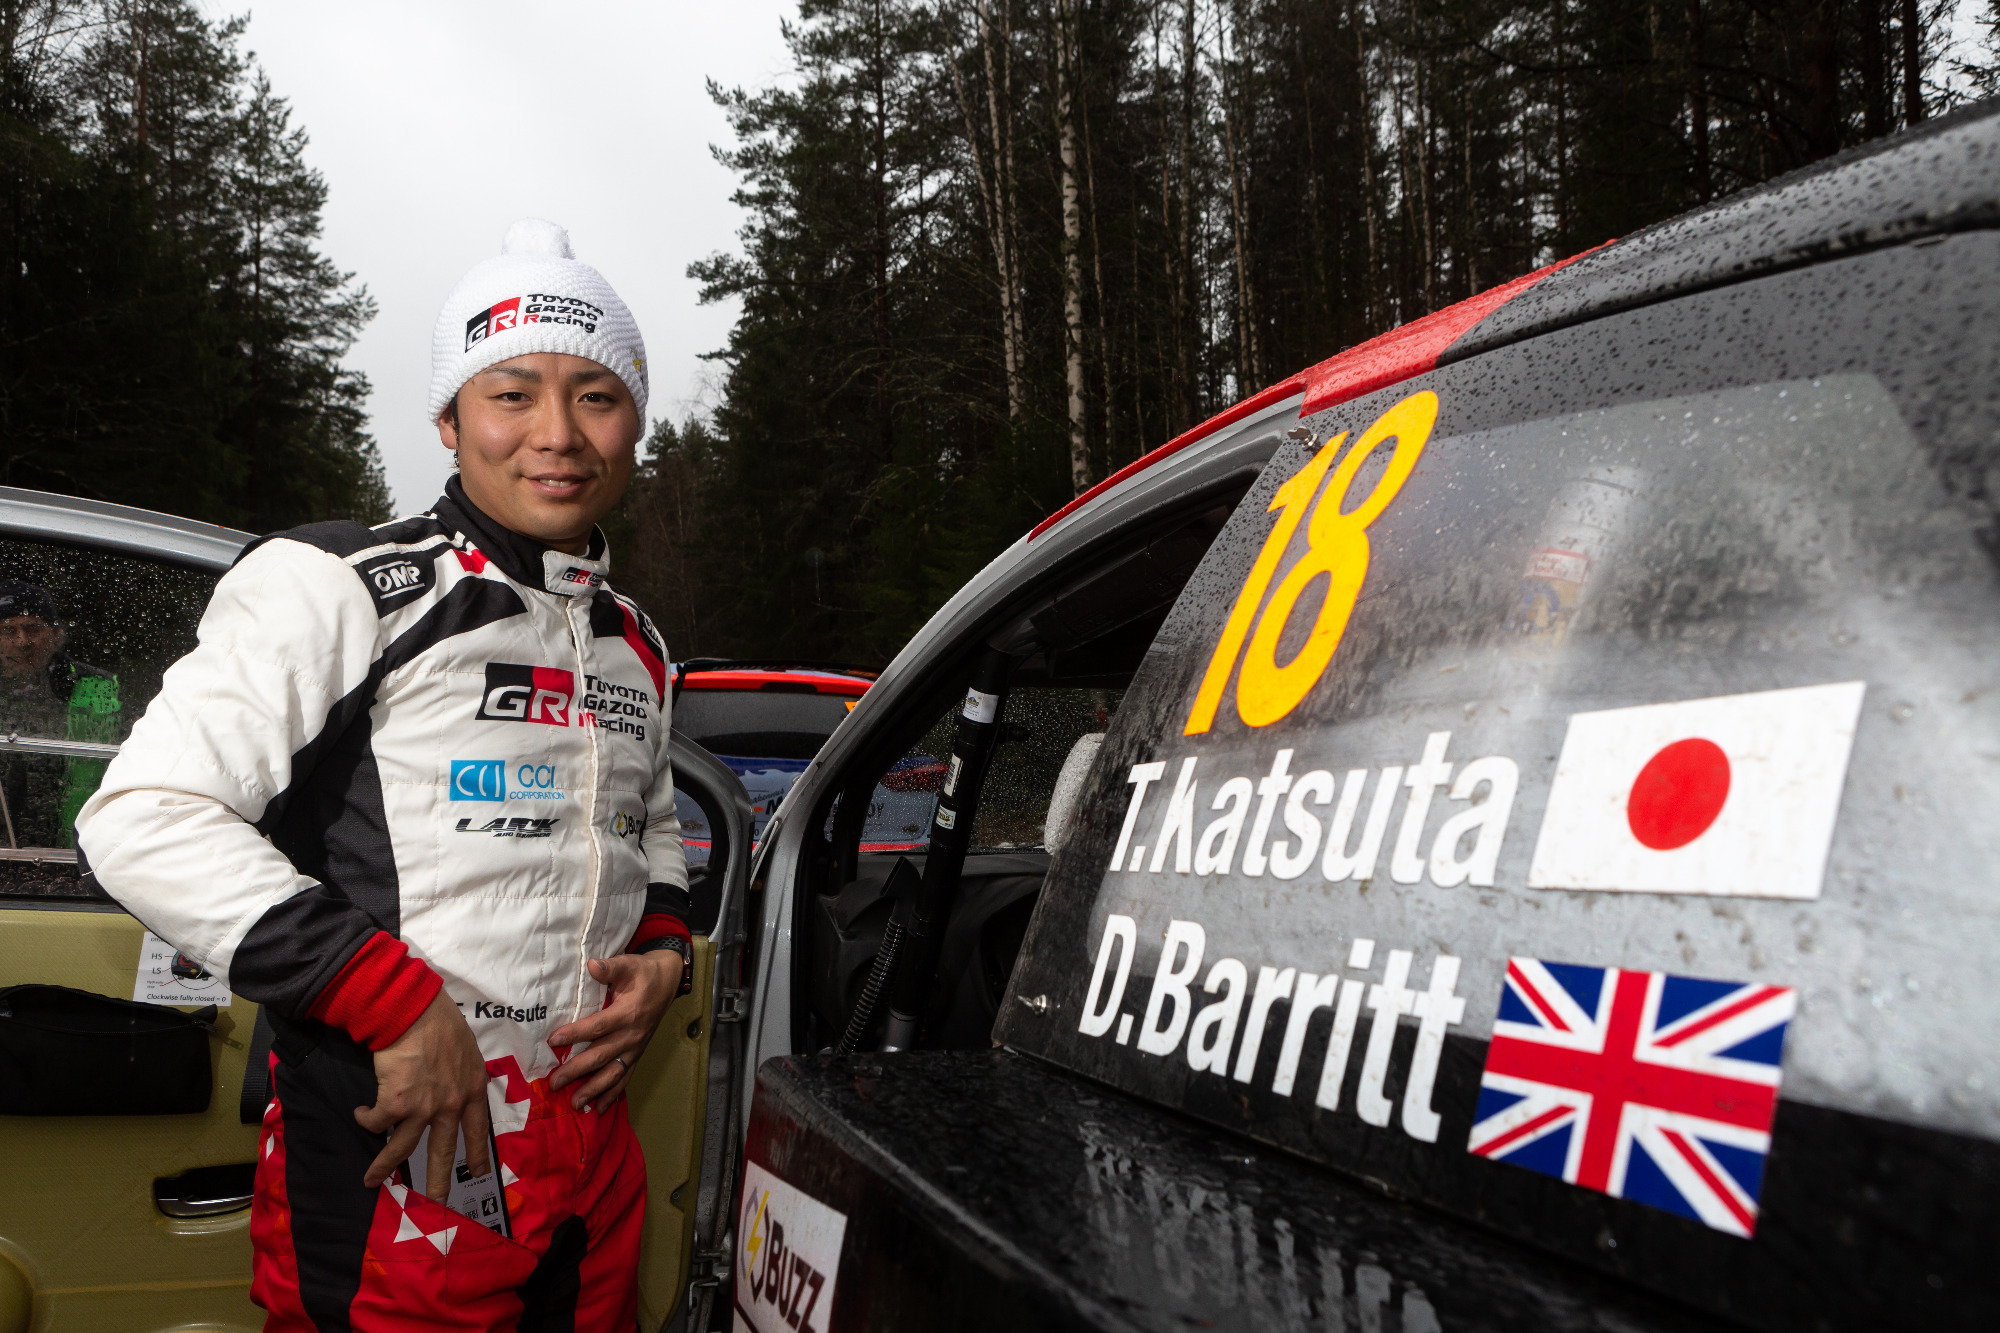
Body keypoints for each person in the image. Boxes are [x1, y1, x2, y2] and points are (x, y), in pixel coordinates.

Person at [77, 219, 692, 1333]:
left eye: (597, 395)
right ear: (450, 420)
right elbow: (143, 817)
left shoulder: (636, 641)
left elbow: (645, 821)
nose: (558, 434)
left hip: (591, 1157)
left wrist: (661, 950)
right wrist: (396, 1005)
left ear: (636, 422)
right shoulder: (346, 583)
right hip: (402, 1144)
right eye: (512, 395)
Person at [0, 581, 120, 848]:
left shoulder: (95, 686)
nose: (22, 641)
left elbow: (97, 776)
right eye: (9, 630)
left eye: (33, 629)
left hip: (71, 849)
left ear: (55, 635)